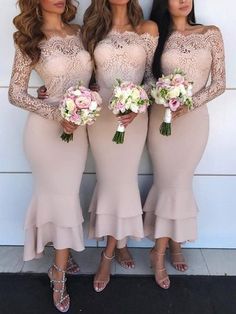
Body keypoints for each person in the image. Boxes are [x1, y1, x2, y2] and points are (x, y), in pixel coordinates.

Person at [9, 0, 93, 311]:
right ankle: (57, 273)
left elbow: (92, 78)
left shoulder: (81, 32)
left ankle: (59, 254)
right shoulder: (29, 37)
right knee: (58, 196)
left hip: (78, 128)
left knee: (66, 195)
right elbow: (16, 92)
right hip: (45, 131)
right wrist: (55, 110)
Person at [144, 0, 226, 289]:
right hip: (161, 120)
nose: (182, 0)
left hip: (193, 121)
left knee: (181, 182)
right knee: (168, 183)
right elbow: (148, 75)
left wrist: (187, 103)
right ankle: (161, 251)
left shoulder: (210, 33)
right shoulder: (158, 34)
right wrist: (162, 95)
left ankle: (167, 246)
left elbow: (219, 83)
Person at [82, 0, 158, 292]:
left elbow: (151, 78)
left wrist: (139, 100)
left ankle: (108, 254)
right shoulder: (92, 29)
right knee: (110, 181)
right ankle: (120, 242)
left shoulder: (147, 28)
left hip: (134, 118)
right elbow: (85, 77)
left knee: (124, 182)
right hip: (100, 117)